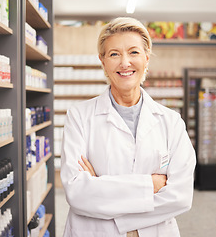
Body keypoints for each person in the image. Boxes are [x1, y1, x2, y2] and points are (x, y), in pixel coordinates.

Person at [60, 17, 196, 237]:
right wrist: (149, 185)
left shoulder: (171, 122)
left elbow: (180, 197)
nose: (125, 63)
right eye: (114, 54)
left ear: (146, 57)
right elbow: (77, 193)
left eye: (133, 52)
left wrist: (100, 188)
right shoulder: (79, 117)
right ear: (103, 61)